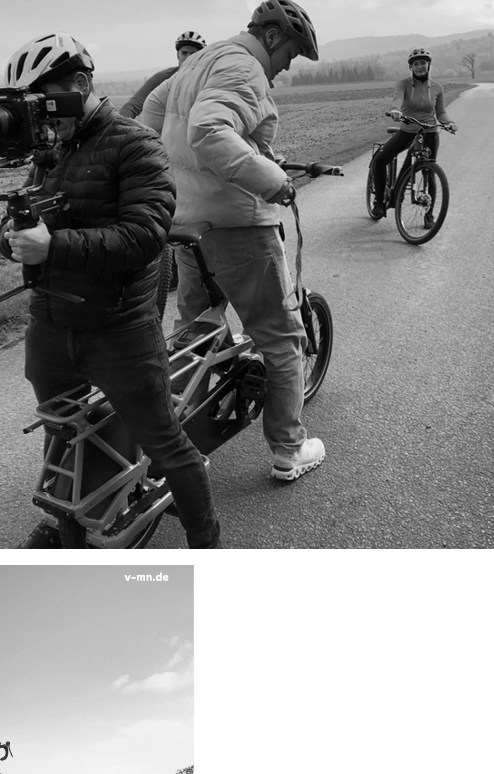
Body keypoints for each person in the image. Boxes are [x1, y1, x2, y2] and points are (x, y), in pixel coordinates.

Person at [0, 33, 222, 552]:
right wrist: (13, 240)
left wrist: (52, 246)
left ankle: (207, 548)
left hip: (120, 331)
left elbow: (144, 238)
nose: (39, 118)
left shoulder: (135, 145)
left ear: (78, 84)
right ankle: (74, 522)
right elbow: (24, 226)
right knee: (64, 432)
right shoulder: (51, 151)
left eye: (43, 101)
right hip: (51, 328)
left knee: (168, 446)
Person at [138, 0, 328, 482]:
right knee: (282, 339)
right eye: (291, 53)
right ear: (271, 37)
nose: (286, 67)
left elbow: (153, 127)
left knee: (194, 336)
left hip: (189, 225)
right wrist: (273, 181)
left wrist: (257, 157)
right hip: (238, 225)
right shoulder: (245, 68)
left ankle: (178, 442)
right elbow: (210, 129)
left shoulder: (197, 63)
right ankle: (289, 449)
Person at [367, 49, 459, 219]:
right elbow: (397, 99)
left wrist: (449, 123)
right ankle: (379, 202)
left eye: (423, 62)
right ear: (411, 67)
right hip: (407, 131)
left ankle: (429, 214)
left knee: (429, 171)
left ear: (428, 64)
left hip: (429, 132)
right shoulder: (404, 84)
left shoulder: (437, 87)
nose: (420, 66)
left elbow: (441, 113)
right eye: (416, 64)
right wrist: (395, 110)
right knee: (379, 160)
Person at [120, 31, 207, 119]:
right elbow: (134, 105)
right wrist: (117, 123)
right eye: (184, 53)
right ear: (178, 56)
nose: (188, 57)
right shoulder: (164, 77)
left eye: (193, 54)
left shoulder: (207, 78)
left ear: (200, 57)